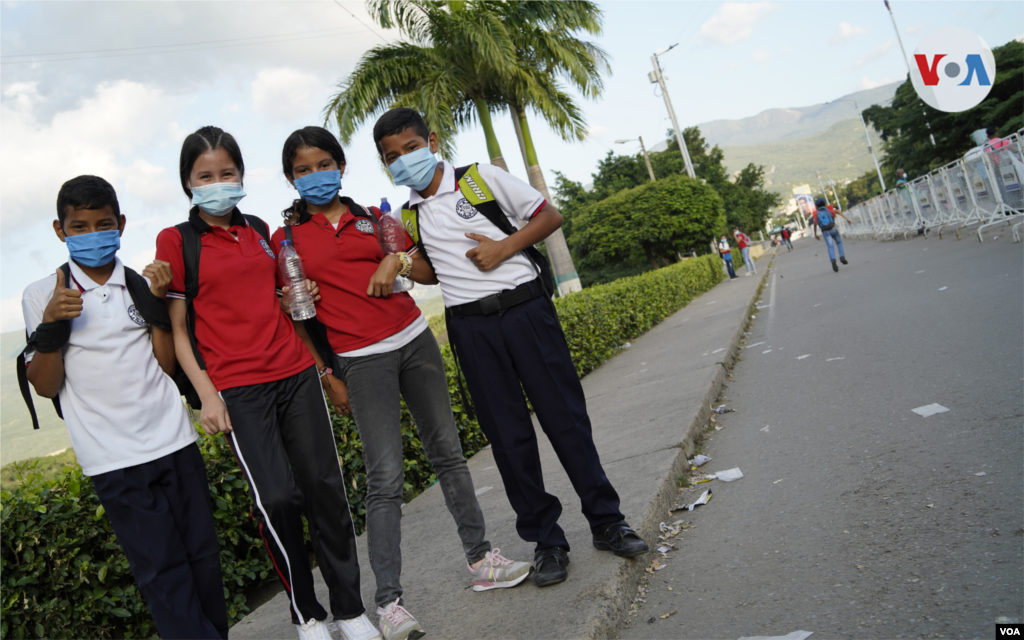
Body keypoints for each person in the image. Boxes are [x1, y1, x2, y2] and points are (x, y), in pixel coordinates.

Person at [372, 107, 648, 589]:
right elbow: (432, 272)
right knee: (508, 438)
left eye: (410, 149)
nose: (403, 161)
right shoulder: (406, 216)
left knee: (566, 420)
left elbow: (549, 215)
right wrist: (395, 259)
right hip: (471, 330)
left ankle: (607, 521)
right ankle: (547, 542)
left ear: (431, 142)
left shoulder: (480, 180)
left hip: (525, 313)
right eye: (391, 157)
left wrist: (504, 247)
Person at [273, 126, 530, 640]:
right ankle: (389, 603)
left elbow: (429, 273)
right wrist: (327, 374)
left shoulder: (376, 218)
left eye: (324, 164)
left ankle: (481, 561)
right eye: (303, 170)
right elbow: (295, 320)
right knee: (384, 478)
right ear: (290, 179)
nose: (316, 175)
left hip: (414, 339)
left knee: (449, 454)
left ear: (341, 167)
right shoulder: (286, 242)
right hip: (360, 361)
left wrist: (400, 258)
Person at [155, 126, 379, 640]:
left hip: (295, 373)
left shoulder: (258, 228)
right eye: (205, 176)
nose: (218, 183)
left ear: (241, 175)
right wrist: (206, 394)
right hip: (238, 388)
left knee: (326, 490)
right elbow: (180, 333)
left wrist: (321, 367)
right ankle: (307, 614)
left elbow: (289, 305)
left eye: (227, 173)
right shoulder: (177, 240)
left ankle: (349, 609)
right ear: (188, 182)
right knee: (276, 498)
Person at [22, 176, 228, 640]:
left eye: (104, 224)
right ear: (60, 230)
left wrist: (157, 305)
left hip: (174, 439)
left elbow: (165, 365)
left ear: (122, 224)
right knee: (163, 572)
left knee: (203, 562)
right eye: (80, 227)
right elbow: (46, 385)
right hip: (113, 459)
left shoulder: (140, 283)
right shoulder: (42, 294)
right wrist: (53, 323)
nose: (93, 234)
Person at [811, 197, 852, 272]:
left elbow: (815, 224)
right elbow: (838, 212)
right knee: (839, 242)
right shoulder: (829, 210)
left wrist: (815, 234)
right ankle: (842, 256)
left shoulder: (816, 214)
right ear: (825, 204)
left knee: (830, 246)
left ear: (816, 206)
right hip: (833, 229)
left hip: (825, 232)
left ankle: (833, 260)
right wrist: (848, 219)